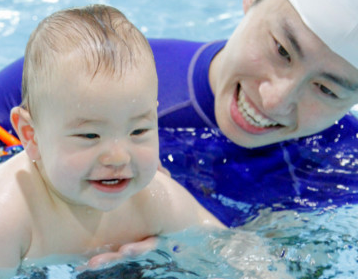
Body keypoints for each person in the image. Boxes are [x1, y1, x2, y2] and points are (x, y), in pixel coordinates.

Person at [1, 0, 358, 226]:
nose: (275, 99)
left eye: (326, 89)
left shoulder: (344, 166)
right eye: (281, 50)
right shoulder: (99, 84)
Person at [0, 4, 224, 279]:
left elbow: (225, 247)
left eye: (138, 131)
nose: (119, 157)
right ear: (31, 136)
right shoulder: (10, 216)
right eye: (90, 135)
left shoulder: (152, 198)